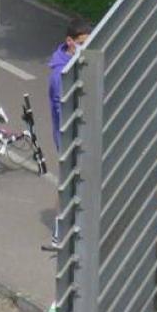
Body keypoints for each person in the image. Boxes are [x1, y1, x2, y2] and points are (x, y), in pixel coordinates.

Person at [45, 18, 91, 247]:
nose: (85, 48)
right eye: (82, 43)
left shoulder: (77, 63)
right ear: (69, 41)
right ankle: (60, 229)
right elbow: (62, 113)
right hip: (69, 137)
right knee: (70, 181)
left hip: (82, 132)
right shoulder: (60, 76)